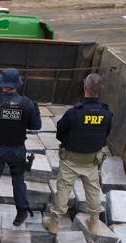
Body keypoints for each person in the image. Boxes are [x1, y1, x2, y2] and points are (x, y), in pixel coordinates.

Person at [45, 73, 113, 234]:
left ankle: (54, 224)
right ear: (101, 89)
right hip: (91, 160)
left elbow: (60, 132)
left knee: (63, 189)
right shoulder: (106, 113)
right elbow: (106, 134)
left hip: (71, 159)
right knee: (93, 190)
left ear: (84, 87)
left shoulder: (74, 112)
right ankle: (94, 222)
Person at [0, 68, 41, 226]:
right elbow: (36, 125)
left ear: (1, 84)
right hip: (17, 150)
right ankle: (22, 211)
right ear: (17, 84)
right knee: (18, 180)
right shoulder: (27, 104)